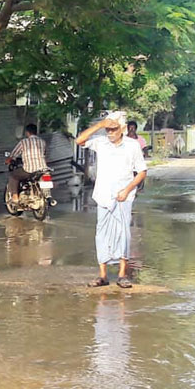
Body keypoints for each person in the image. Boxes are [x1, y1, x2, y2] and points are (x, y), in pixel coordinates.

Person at [75, 111, 147, 289]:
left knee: (123, 233)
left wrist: (127, 189)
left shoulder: (132, 146)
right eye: (108, 130)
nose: (110, 133)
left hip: (123, 197)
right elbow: (79, 141)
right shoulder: (101, 142)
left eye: (113, 129)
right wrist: (100, 125)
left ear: (122, 129)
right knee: (102, 234)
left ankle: (122, 275)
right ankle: (103, 275)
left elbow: (142, 172)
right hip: (103, 195)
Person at [5, 124, 48, 204]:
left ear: (27, 132)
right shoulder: (42, 142)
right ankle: (47, 196)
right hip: (43, 169)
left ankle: (15, 198)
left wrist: (8, 160)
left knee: (13, 176)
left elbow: (14, 154)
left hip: (30, 169)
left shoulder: (24, 142)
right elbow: (44, 154)